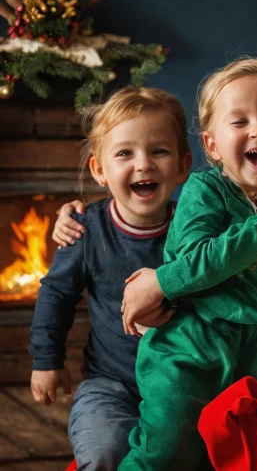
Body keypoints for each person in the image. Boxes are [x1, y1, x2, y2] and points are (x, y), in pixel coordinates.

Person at [54, 59, 257, 469]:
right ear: (212, 146)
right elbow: (194, 259)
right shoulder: (208, 190)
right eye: (239, 122)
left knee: (219, 457)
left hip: (252, 353)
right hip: (187, 352)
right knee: (162, 454)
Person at [29, 87, 192, 470]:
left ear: (184, 165)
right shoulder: (84, 231)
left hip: (181, 383)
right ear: (99, 170)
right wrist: (46, 359)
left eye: (159, 151)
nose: (143, 164)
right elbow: (56, 294)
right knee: (104, 450)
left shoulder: (195, 227)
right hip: (110, 384)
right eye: (124, 153)